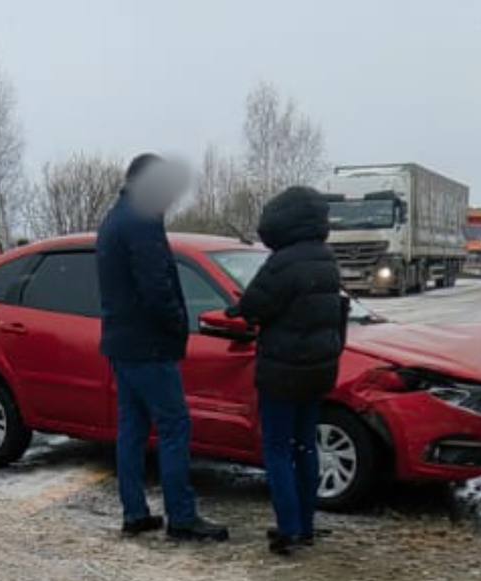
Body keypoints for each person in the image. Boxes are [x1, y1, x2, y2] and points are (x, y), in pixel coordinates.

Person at [96, 153, 228, 542]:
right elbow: (156, 287)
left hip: (123, 343)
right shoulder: (140, 222)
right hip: (149, 345)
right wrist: (177, 325)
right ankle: (182, 518)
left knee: (132, 430)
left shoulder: (115, 219)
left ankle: (134, 512)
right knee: (174, 427)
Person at [230, 186, 347, 554]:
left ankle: (288, 529)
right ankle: (307, 525)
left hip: (282, 371)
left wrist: (238, 312)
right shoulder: (326, 258)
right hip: (317, 371)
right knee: (305, 447)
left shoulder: (282, 262)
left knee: (278, 449)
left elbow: (253, 305)